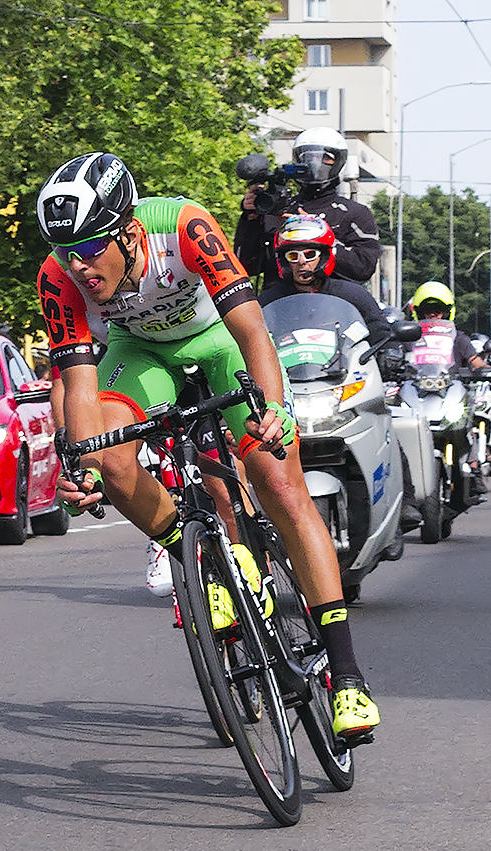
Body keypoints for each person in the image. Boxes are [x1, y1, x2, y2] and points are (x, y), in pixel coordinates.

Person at [36, 151, 378, 743]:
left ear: (129, 232)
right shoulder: (58, 276)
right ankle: (202, 558)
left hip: (220, 340)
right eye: (67, 252)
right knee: (112, 461)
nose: (79, 266)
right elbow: (79, 385)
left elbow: (250, 329)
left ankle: (347, 676)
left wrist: (273, 409)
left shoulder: (184, 226)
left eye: (90, 248)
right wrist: (83, 466)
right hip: (141, 353)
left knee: (279, 484)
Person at [233, 127, 381, 287]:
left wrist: (318, 232)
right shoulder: (277, 211)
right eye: (307, 157)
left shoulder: (354, 213)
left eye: (325, 157)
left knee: (364, 302)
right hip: (279, 298)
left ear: (339, 161)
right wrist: (251, 219)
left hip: (335, 298)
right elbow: (245, 266)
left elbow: (364, 268)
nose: (314, 163)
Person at [256, 214, 391, 337]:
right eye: (293, 256)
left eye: (309, 255)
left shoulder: (354, 295)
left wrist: (390, 350)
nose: (301, 261)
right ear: (284, 261)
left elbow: (381, 333)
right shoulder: (269, 300)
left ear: (324, 257)